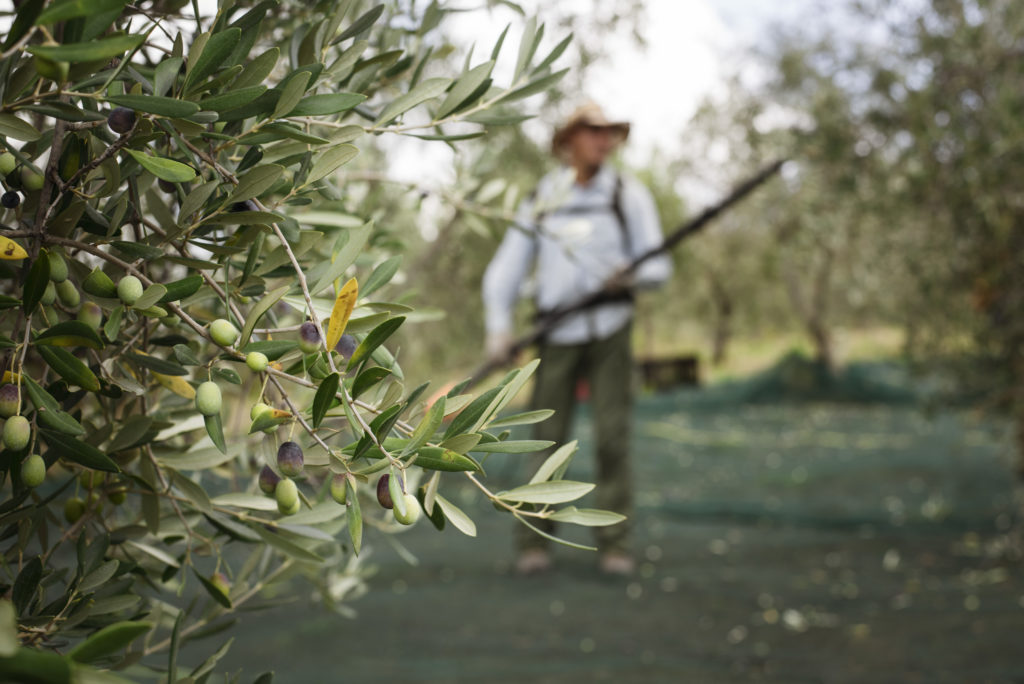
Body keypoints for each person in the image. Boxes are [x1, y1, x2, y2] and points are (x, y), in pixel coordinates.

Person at [482, 102, 673, 575]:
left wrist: (630, 277)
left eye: (608, 132)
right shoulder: (543, 197)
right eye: (592, 132)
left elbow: (658, 266)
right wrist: (498, 326)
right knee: (546, 441)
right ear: (568, 141)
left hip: (611, 331)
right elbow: (508, 265)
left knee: (612, 439)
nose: (602, 140)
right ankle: (534, 542)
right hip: (556, 334)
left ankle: (616, 545)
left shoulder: (628, 194)